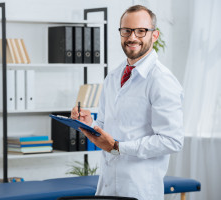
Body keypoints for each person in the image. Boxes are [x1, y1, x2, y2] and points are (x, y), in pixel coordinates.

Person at [71, 5, 184, 200]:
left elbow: (172, 141)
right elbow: (107, 129)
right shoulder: (113, 77)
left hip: (139, 190)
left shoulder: (161, 80)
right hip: (107, 188)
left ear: (154, 35)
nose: (132, 37)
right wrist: (89, 124)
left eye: (141, 31)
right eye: (127, 31)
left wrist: (118, 146)